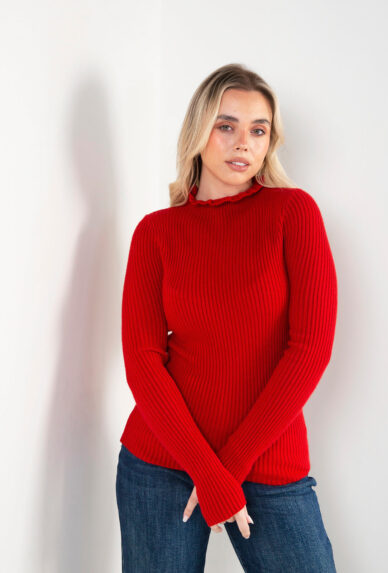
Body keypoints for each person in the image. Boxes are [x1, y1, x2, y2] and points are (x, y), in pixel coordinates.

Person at [116, 62, 338, 572]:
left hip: (268, 462)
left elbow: (310, 350)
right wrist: (206, 470)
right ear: (199, 132)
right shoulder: (155, 233)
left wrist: (228, 469)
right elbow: (143, 360)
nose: (243, 143)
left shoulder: (293, 213)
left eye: (258, 130)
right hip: (161, 464)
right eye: (226, 126)